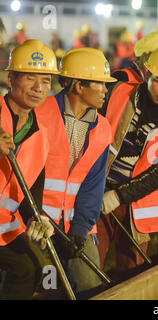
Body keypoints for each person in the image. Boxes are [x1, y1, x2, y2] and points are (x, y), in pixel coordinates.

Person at [97, 46, 158, 281]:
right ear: (147, 75)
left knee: (132, 274)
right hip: (97, 193)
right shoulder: (117, 93)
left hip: (136, 208)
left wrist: (118, 197)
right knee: (85, 267)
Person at [36, 47, 115, 297]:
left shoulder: (102, 128)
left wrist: (80, 232)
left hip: (78, 227)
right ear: (78, 86)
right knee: (45, 289)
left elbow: (93, 185)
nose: (105, 90)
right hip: (37, 224)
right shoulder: (40, 115)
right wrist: (37, 218)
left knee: (92, 287)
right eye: (100, 84)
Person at [0, 39, 58, 299]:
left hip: (5, 223)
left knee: (36, 269)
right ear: (11, 78)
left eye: (45, 81)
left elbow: (32, 187)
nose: (39, 88)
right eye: (30, 78)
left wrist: (38, 217)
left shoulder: (41, 134)